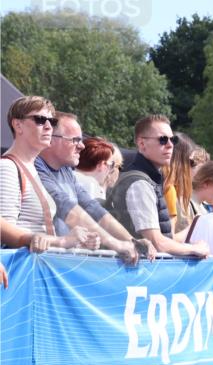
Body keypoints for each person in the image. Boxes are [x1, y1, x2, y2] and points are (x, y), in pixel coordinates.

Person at [36, 112, 146, 264]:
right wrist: (115, 243)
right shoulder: (36, 167)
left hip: (58, 262)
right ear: (51, 140)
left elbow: (93, 208)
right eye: (75, 140)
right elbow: (67, 208)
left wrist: (132, 241)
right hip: (45, 263)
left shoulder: (66, 170)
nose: (81, 146)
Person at [1, 96, 99, 251]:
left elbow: (39, 233)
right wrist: (61, 242)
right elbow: (3, 231)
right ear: (17, 125)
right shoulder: (7, 167)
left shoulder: (31, 168)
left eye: (51, 122)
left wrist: (74, 240)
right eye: (40, 120)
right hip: (19, 270)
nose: (48, 127)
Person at [107, 115, 209, 259]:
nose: (170, 145)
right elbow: (156, 242)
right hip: (137, 274)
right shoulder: (139, 184)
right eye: (162, 140)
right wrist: (194, 248)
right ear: (142, 144)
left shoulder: (151, 180)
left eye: (173, 140)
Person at [73, 136, 115, 202]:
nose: (110, 170)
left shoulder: (64, 176)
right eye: (111, 164)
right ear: (102, 165)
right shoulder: (93, 188)